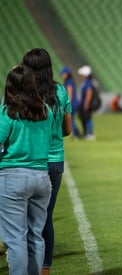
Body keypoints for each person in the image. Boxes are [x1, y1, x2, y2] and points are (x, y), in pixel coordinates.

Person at [23, 48, 72, 275]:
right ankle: (45, 270)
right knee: (45, 218)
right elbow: (68, 129)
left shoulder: (24, 92)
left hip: (30, 160)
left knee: (23, 219)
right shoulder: (60, 92)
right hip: (55, 161)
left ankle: (23, 267)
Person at [0, 64, 53, 275]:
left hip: (13, 177)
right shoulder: (45, 110)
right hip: (41, 177)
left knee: (15, 239)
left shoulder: (8, 112)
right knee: (35, 236)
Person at [60, 66, 81, 138]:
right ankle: (76, 133)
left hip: (72, 103)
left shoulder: (68, 82)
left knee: (70, 119)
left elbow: (69, 92)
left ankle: (76, 133)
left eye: (63, 74)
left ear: (67, 74)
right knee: (71, 119)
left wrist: (68, 104)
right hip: (74, 103)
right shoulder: (71, 81)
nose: (62, 76)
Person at [78, 65, 96, 140]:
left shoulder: (88, 82)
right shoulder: (85, 82)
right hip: (83, 103)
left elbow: (89, 93)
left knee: (88, 118)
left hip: (86, 103)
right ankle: (86, 133)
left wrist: (86, 104)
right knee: (84, 118)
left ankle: (90, 134)